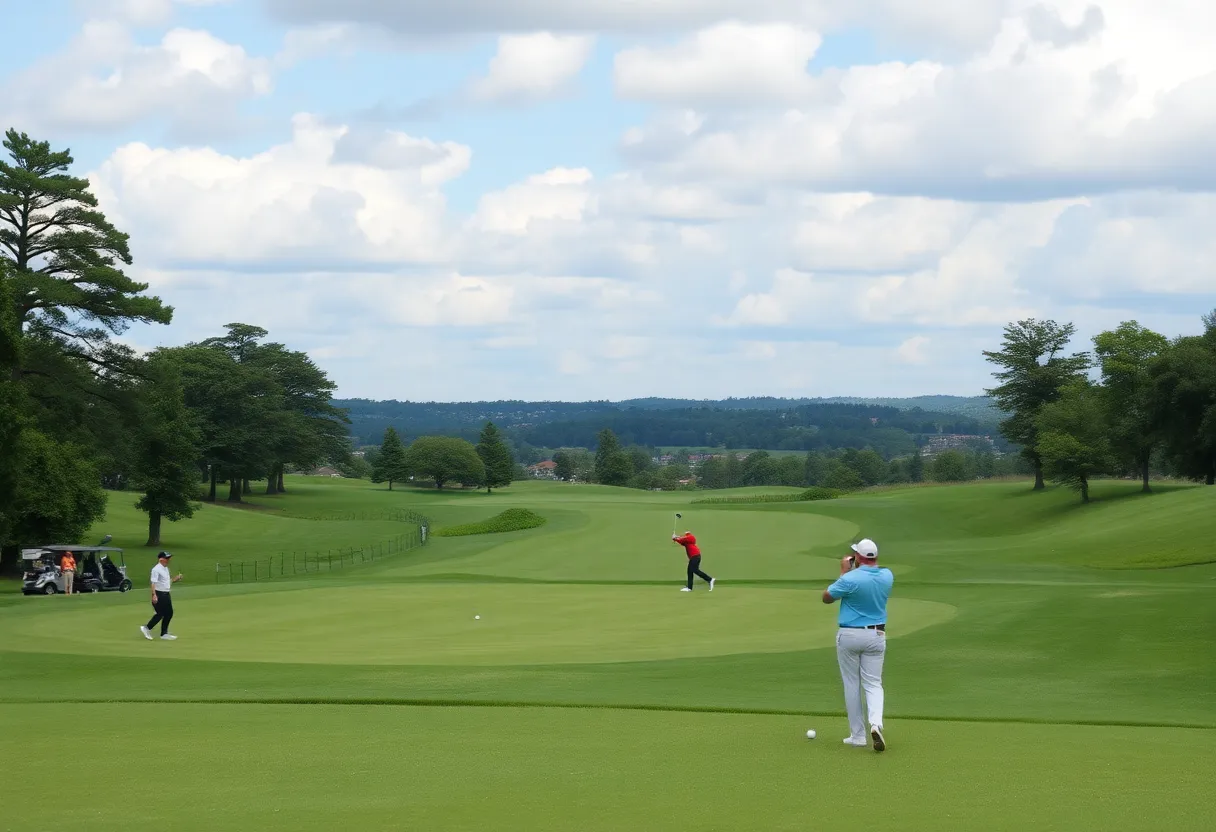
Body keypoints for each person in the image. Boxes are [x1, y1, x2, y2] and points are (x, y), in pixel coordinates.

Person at [822, 538, 893, 752]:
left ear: (858, 558)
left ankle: (858, 735)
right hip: (876, 634)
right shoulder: (887, 575)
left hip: (850, 635)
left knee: (852, 684)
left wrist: (844, 571)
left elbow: (827, 597)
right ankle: (876, 724)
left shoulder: (850, 578)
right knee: (873, 683)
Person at [140, 552, 182, 641]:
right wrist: (154, 595)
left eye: (169, 558)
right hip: (159, 594)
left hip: (166, 594)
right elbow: (153, 583)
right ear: (161, 559)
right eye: (167, 558)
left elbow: (167, 582)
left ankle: (164, 633)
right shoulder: (156, 569)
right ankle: (146, 628)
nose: (169, 560)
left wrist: (176, 579)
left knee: (169, 613)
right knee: (160, 613)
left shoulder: (165, 569)